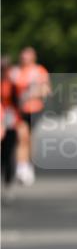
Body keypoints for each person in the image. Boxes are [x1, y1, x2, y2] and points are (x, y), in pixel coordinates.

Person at [11, 46, 50, 185]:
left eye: (28, 56)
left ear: (33, 57)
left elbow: (45, 90)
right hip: (18, 110)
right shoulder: (14, 72)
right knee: (22, 137)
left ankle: (29, 166)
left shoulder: (39, 71)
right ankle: (21, 168)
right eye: (23, 56)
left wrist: (31, 94)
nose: (24, 58)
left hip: (34, 109)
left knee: (29, 139)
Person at [1, 56, 23, 193]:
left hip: (10, 120)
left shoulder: (13, 84)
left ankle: (8, 183)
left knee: (8, 153)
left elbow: (18, 104)